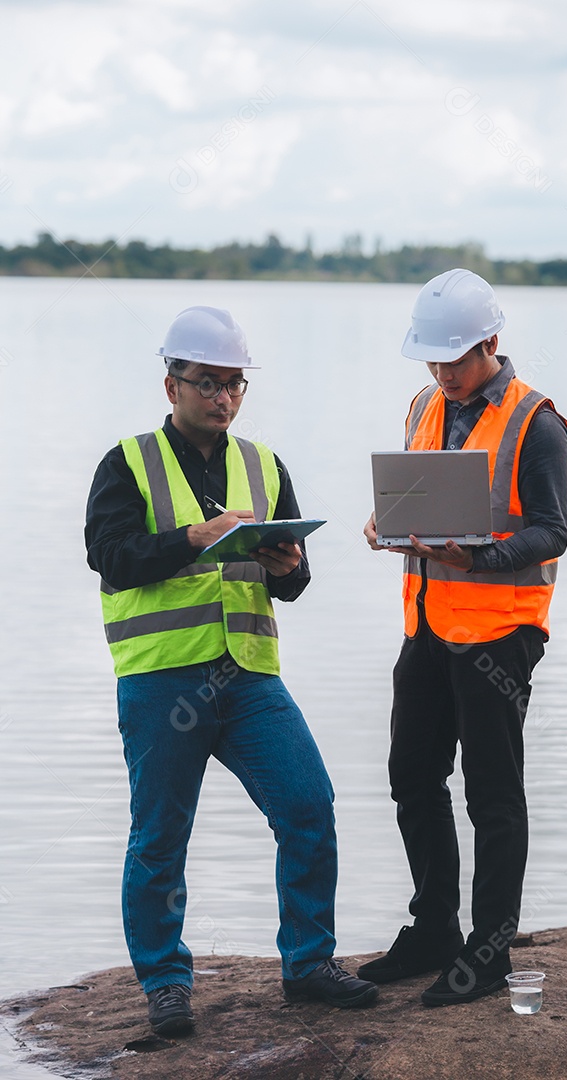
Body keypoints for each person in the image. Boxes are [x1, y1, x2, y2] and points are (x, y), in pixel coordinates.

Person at [85, 305, 377, 1035]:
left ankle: (308, 965)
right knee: (160, 836)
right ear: (171, 385)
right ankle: (164, 983)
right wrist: (191, 537)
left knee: (308, 806)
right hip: (162, 679)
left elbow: (294, 582)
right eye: (208, 383)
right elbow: (111, 557)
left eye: (235, 385)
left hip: (248, 676)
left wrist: (288, 565)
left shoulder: (264, 464)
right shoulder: (126, 463)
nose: (223, 397)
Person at [360, 269, 567, 1006]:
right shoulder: (424, 402)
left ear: (491, 341)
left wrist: (479, 557)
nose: (443, 374)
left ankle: (489, 954)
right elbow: (422, 501)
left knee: (492, 794)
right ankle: (434, 930)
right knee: (412, 778)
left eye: (456, 359)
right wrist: (386, 526)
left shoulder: (535, 421)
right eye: (433, 359)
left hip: (499, 637)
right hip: (425, 624)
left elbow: (553, 532)